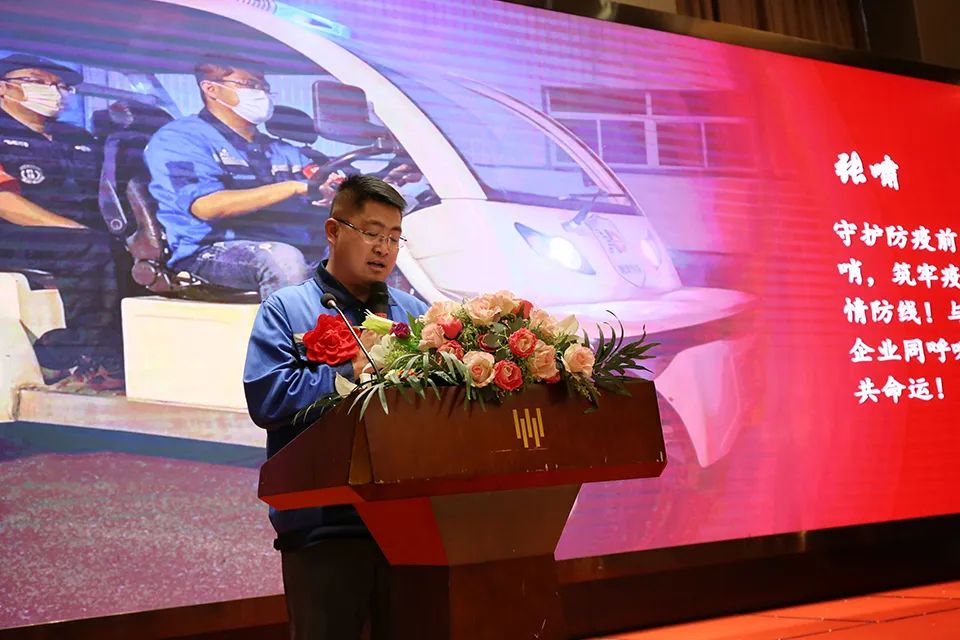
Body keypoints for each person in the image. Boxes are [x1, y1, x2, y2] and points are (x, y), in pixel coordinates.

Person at [243, 174, 428, 639]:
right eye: (371, 232)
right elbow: (267, 399)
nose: (383, 248)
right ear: (333, 230)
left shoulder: (413, 313)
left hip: (410, 521)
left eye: (394, 237)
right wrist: (349, 372)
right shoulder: (287, 308)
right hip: (324, 523)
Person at [144, 57, 343, 300]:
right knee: (283, 259)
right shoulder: (180, 140)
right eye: (249, 84)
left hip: (286, 241)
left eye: (263, 86)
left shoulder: (281, 150)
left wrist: (330, 191)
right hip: (210, 251)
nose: (261, 93)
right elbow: (207, 206)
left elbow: (316, 179)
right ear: (211, 89)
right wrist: (293, 187)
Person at [0, 53, 124, 388]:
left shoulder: (77, 138)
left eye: (59, 85)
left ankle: (85, 348)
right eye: (37, 81)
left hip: (81, 238)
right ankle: (92, 357)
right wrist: (78, 231)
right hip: (13, 235)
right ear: (3, 89)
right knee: (90, 248)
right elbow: (6, 203)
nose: (52, 91)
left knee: (123, 249)